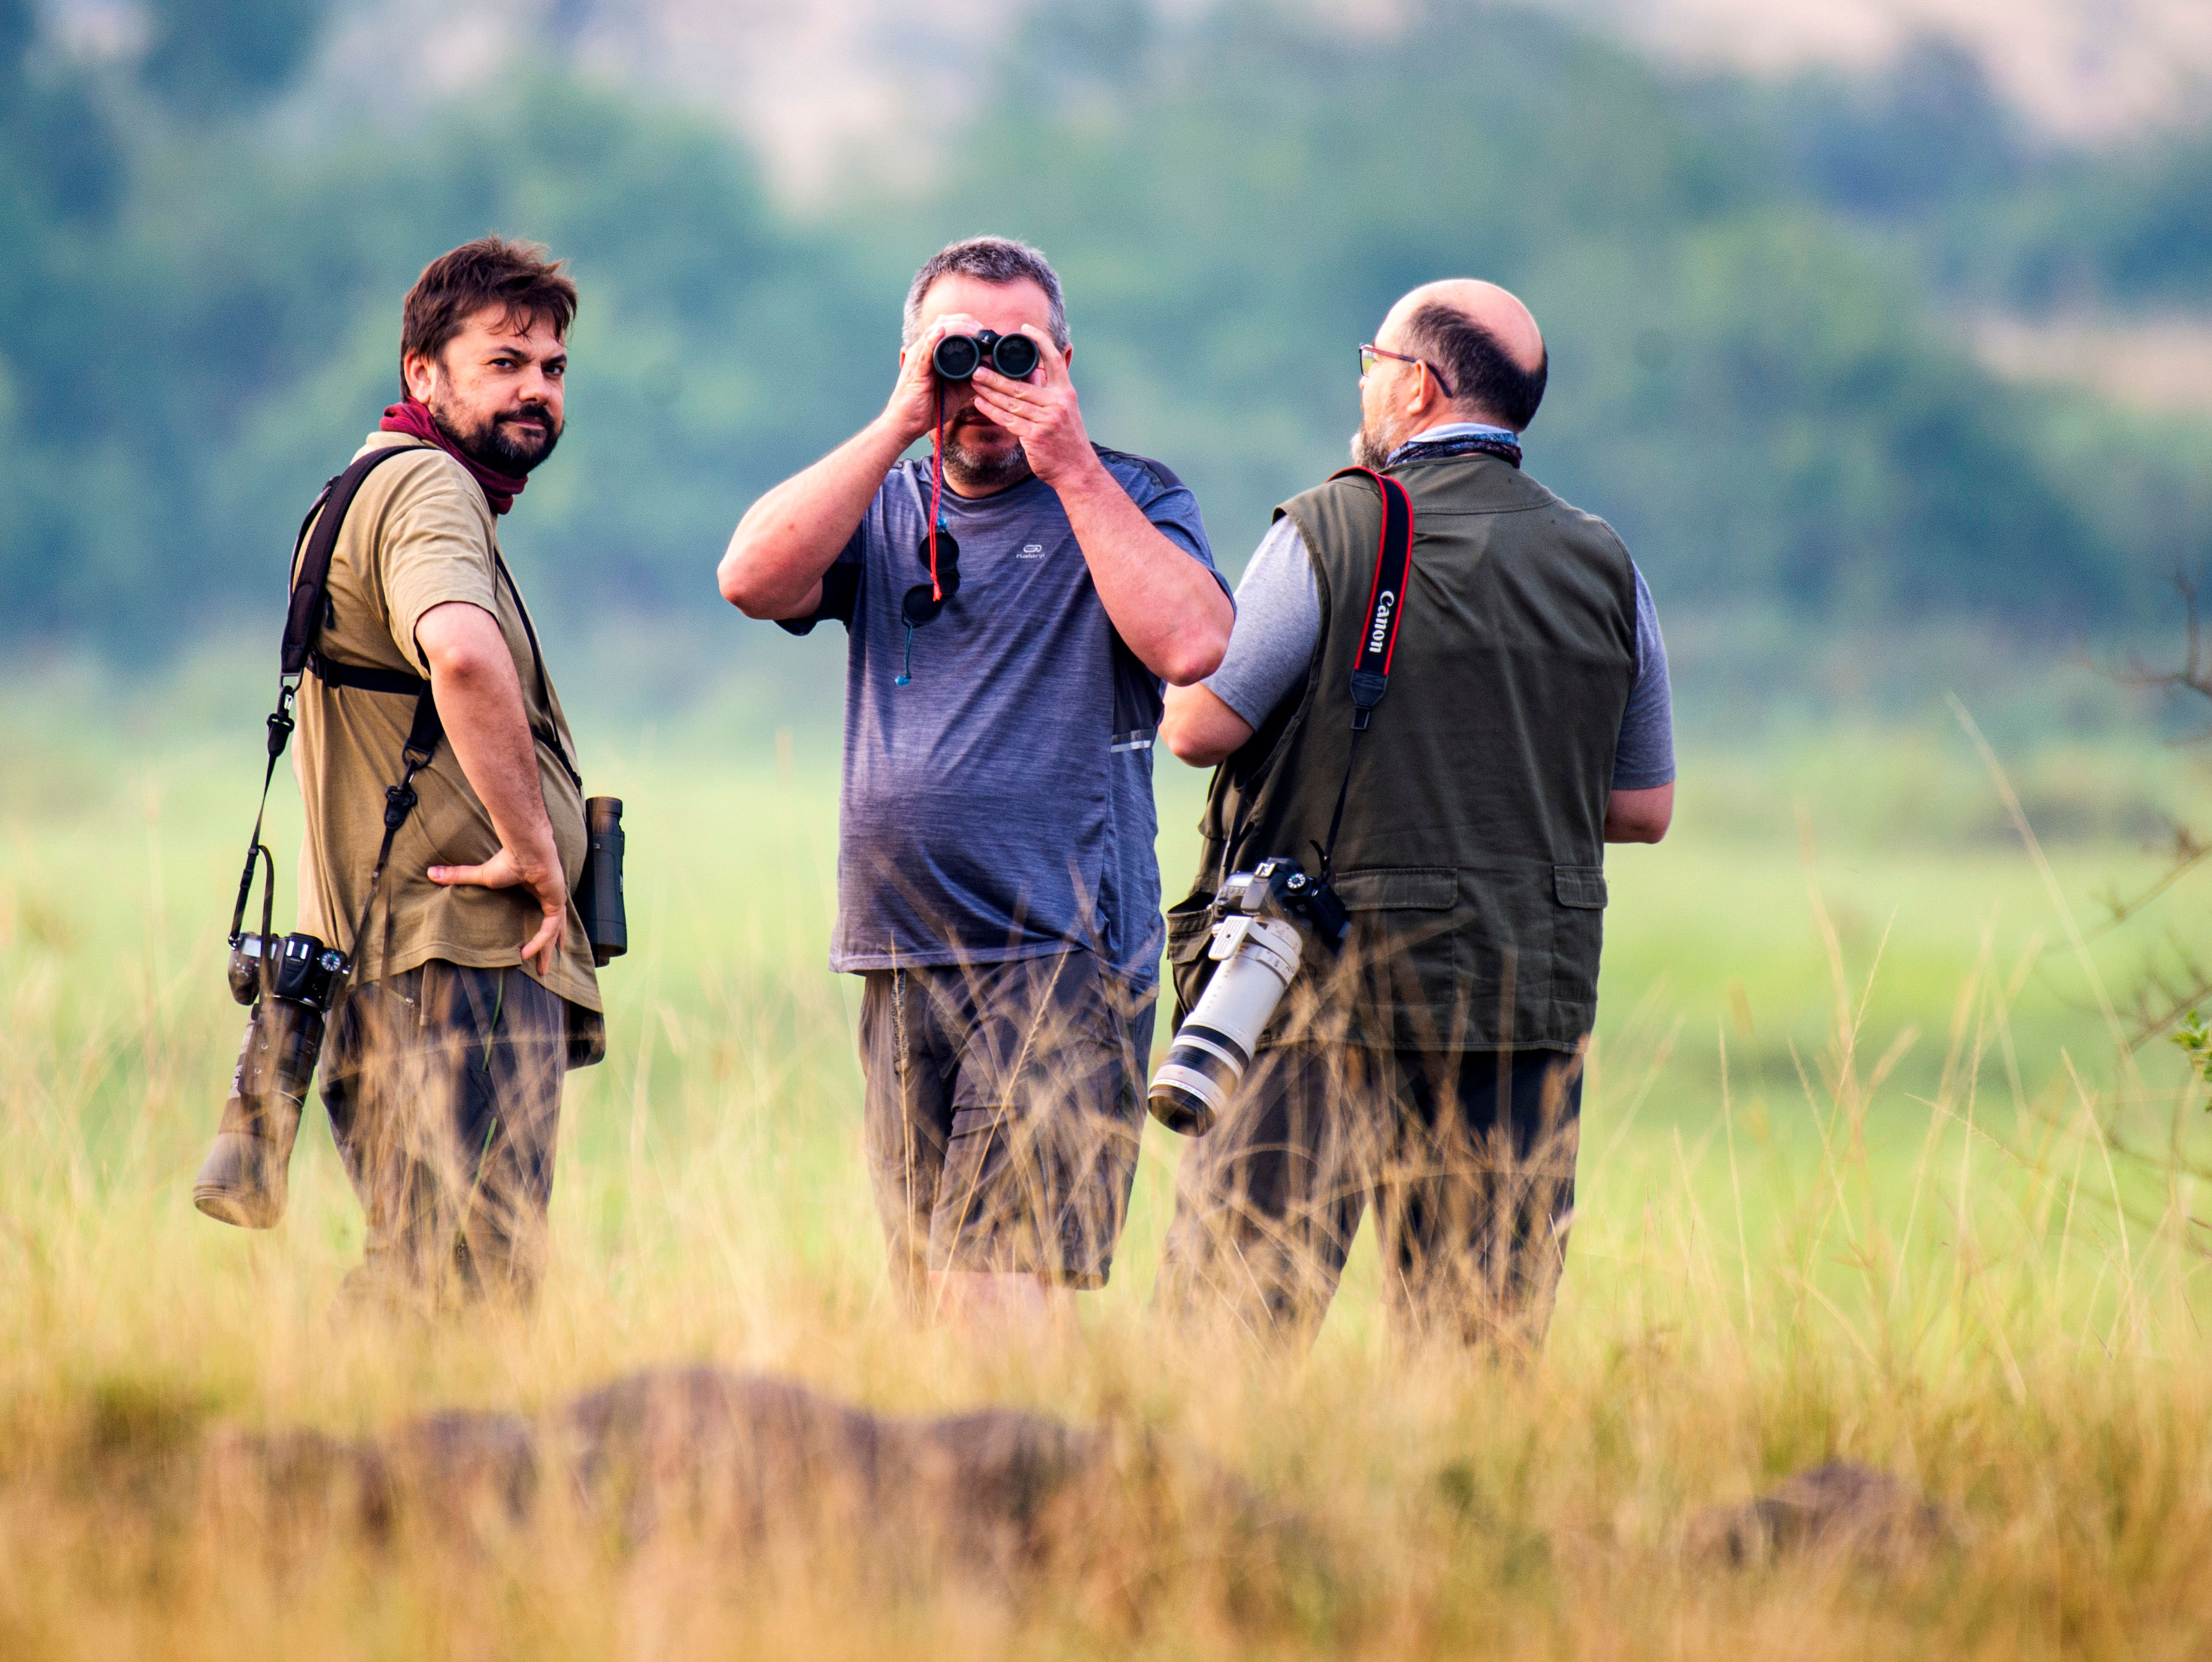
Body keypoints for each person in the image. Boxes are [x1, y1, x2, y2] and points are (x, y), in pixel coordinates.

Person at [717, 234, 1233, 1331]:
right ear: (908, 355)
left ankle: (1012, 1491)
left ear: (1062, 363)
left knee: (992, 1282)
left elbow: (1193, 640)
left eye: (1016, 354)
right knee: (924, 1287)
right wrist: (899, 418)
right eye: (957, 353)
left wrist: (1070, 463)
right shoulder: (885, 498)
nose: (983, 385)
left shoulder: (1128, 493)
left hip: (1059, 941)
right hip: (900, 944)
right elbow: (750, 576)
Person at [1155, 278, 1675, 1354]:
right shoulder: (1605, 563)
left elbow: (1199, 726)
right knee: (1476, 1348)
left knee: (1227, 1342)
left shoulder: (1333, 528)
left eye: (1369, 358)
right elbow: (1640, 804)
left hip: (1314, 996)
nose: (1361, 378)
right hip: (1517, 1002)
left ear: (1415, 385)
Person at [284, 235, 605, 1308]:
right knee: (472, 1279)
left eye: (552, 368)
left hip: (407, 966)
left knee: (423, 1264)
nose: (535, 390)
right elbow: (461, 651)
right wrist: (531, 849)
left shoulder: (380, 483)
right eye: (503, 361)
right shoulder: (425, 484)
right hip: (452, 962)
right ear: (421, 372)